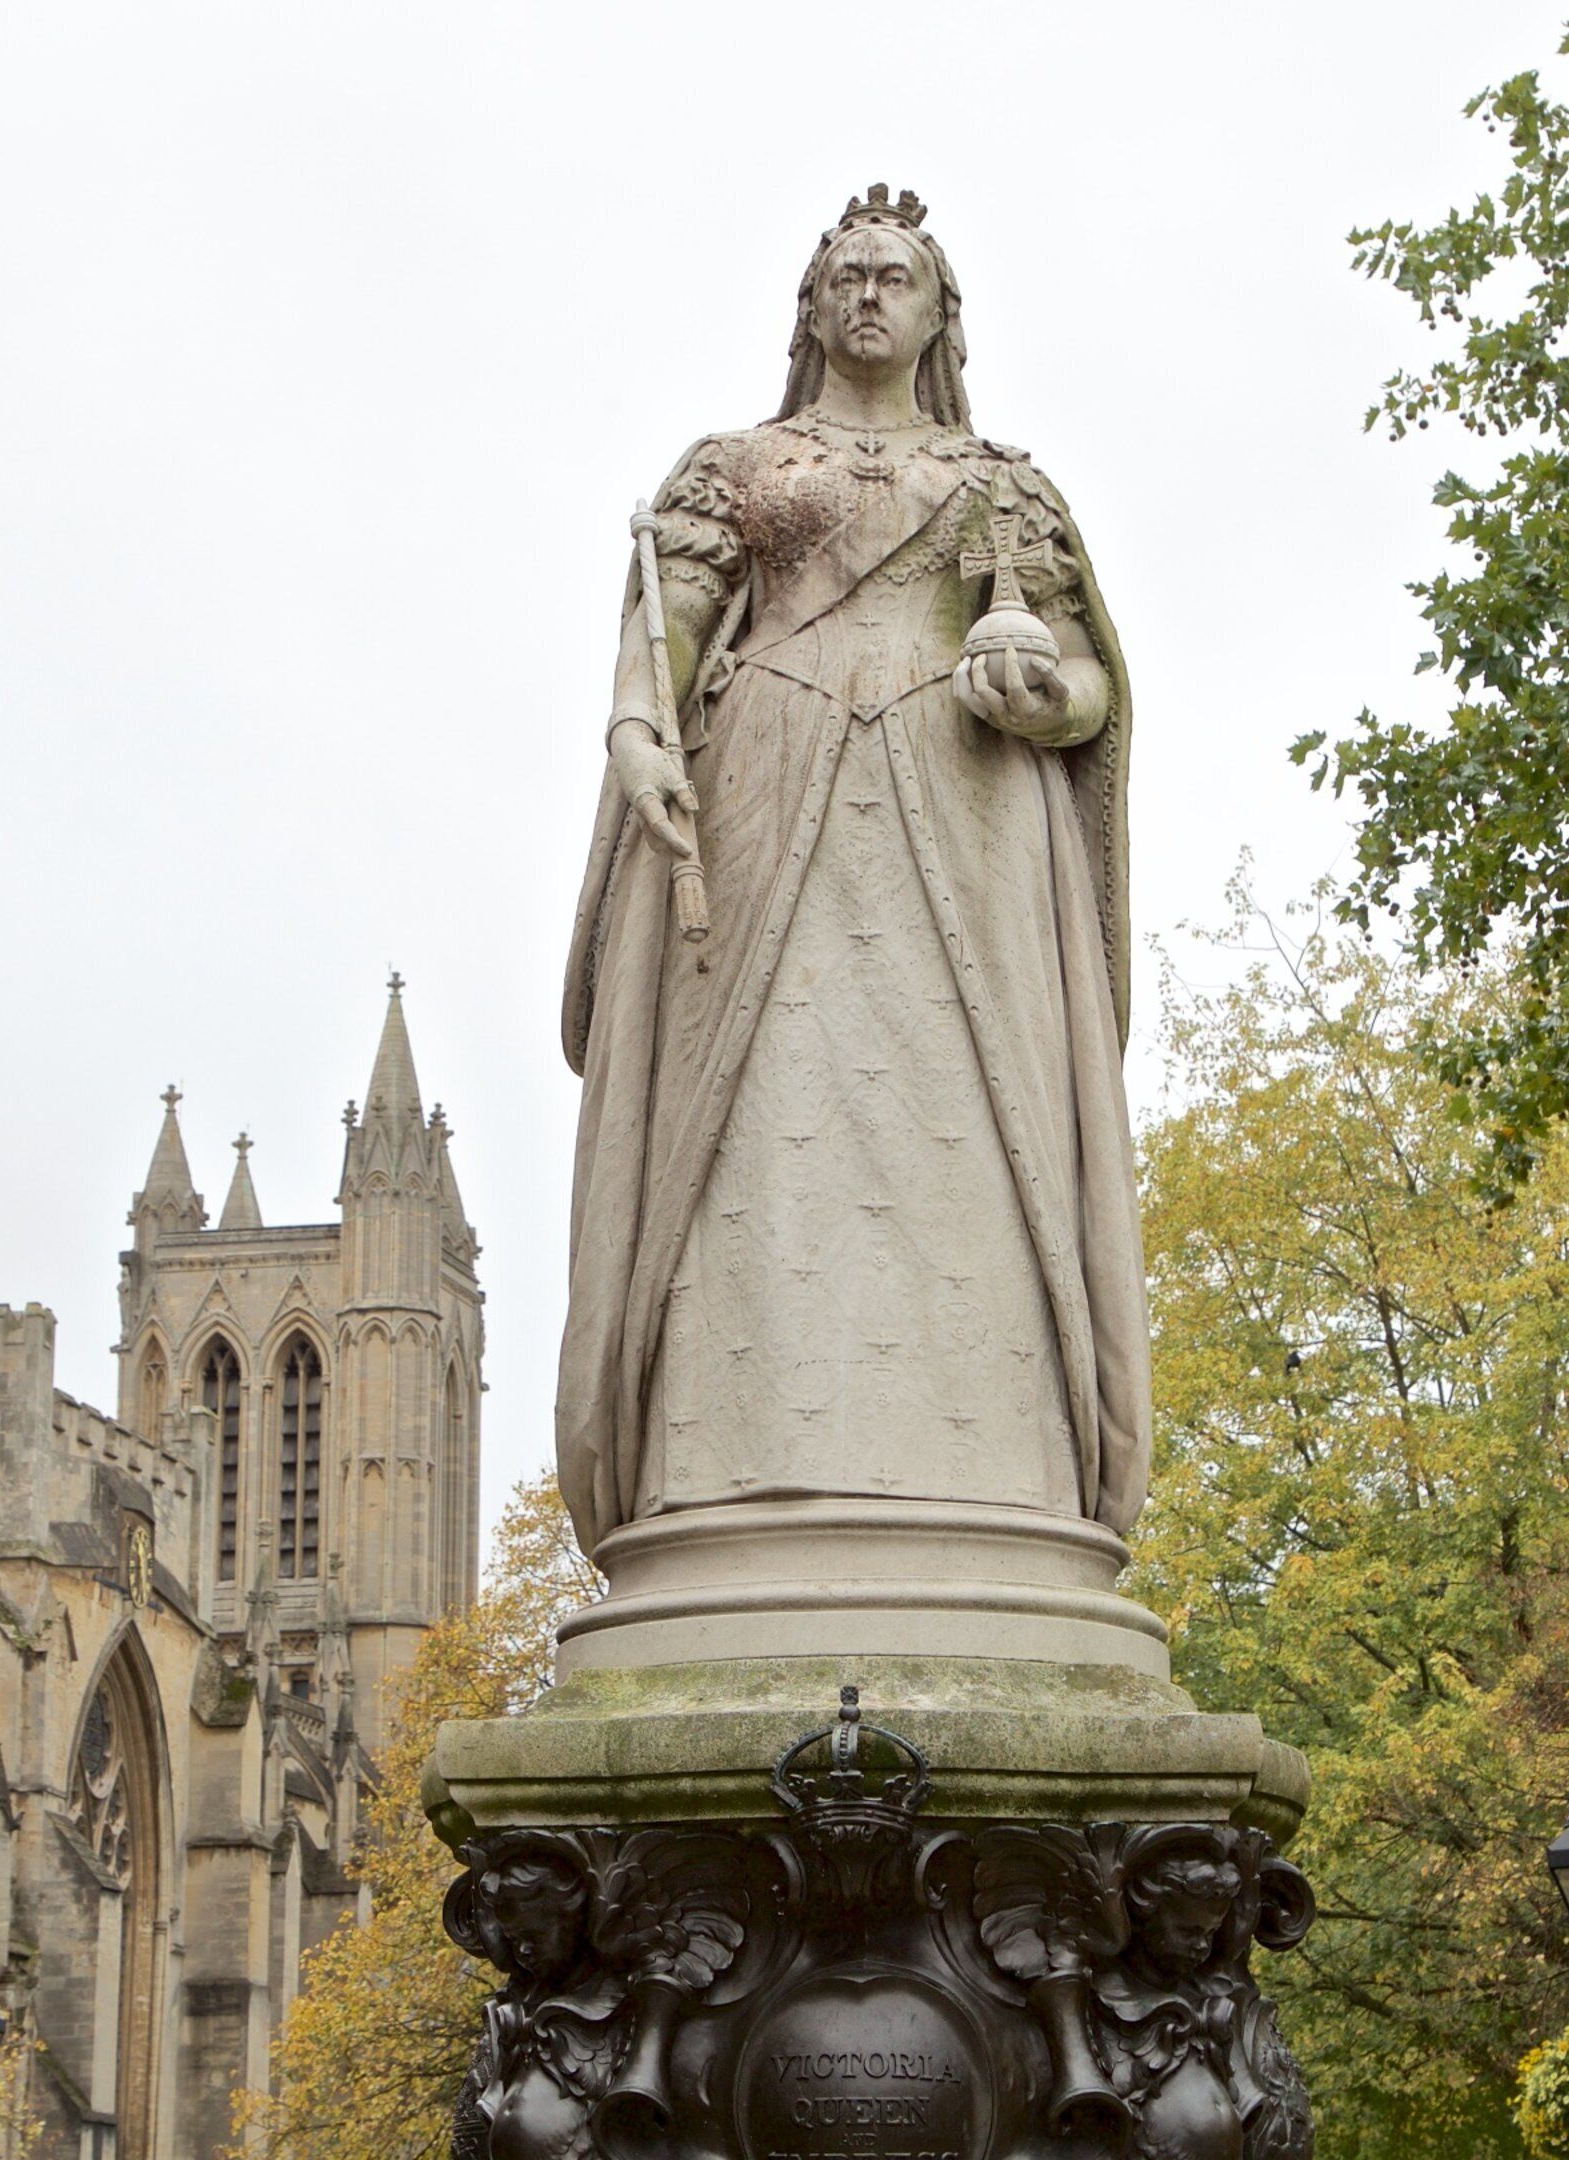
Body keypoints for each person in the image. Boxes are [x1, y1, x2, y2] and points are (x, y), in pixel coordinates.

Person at [556, 186, 1147, 1559]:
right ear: (813, 308)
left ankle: (992, 1460)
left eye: (897, 276)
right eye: (847, 276)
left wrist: (1041, 697)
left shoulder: (1008, 488)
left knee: (979, 1125)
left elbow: (1090, 684)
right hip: (765, 808)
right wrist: (641, 732)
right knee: (758, 1112)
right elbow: (667, 636)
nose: (870, 293)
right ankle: (735, 1449)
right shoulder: (737, 465)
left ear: (941, 313)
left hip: (973, 819)